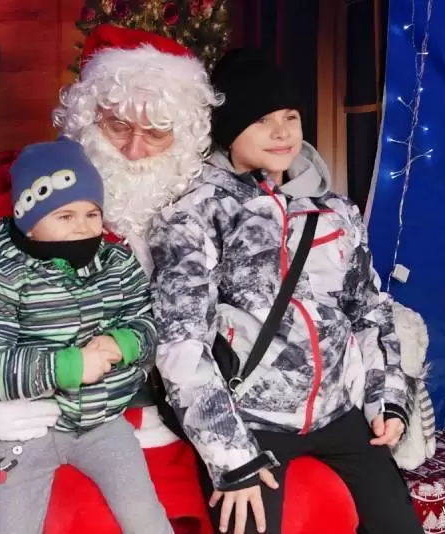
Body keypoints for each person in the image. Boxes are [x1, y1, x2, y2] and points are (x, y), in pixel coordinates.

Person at [0, 25, 362, 534]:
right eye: (117, 126)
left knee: (311, 503)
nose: (134, 150)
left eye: (156, 132)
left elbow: (295, 298)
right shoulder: (31, 210)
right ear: (87, 121)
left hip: (198, 423)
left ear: (186, 136)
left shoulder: (215, 209)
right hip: (69, 420)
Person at [148, 48, 425, 534]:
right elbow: (181, 343)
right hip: (251, 420)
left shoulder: (335, 211)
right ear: (229, 127)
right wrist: (230, 457)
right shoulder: (195, 214)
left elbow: (368, 310)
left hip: (338, 412)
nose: (281, 132)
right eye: (261, 120)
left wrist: (388, 401)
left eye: (290, 116)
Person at [0, 137, 172, 534]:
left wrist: (124, 343)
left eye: (92, 213)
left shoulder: (117, 263)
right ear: (28, 220)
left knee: (146, 517)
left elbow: (148, 324)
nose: (83, 227)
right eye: (65, 216)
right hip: (27, 428)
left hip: (103, 422)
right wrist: (66, 367)